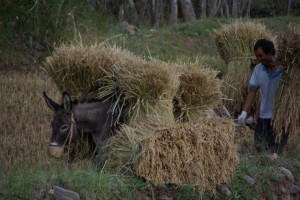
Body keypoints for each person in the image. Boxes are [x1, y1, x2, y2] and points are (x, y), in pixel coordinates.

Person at [238, 39, 289, 157]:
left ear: (270, 52)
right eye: (257, 56)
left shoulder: (286, 70)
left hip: (280, 117)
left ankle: (278, 171)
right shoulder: (258, 69)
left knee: (276, 151)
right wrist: (244, 113)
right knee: (260, 146)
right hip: (264, 115)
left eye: (260, 56)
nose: (258, 59)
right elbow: (252, 91)